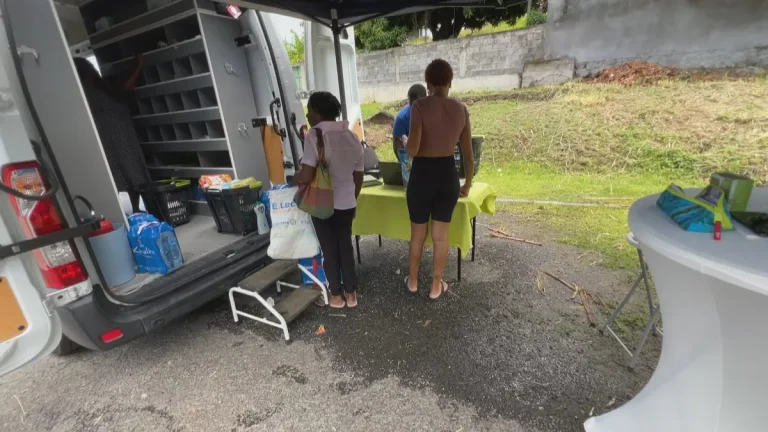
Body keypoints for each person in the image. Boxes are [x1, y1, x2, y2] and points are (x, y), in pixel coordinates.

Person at [404, 59, 473, 300]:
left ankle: (413, 281)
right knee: (441, 236)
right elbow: (467, 153)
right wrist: (468, 184)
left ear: (428, 82)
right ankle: (436, 286)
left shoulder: (419, 106)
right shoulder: (461, 110)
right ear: (450, 81)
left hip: (422, 174)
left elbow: (412, 149)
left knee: (418, 235)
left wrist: (405, 141)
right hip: (447, 173)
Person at [294, 91, 364, 309]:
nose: (307, 114)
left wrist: (293, 179)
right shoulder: (352, 137)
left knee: (329, 248)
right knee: (345, 245)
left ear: (319, 112)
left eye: (310, 110)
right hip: (347, 202)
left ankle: (335, 295)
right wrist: (352, 197)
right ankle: (351, 294)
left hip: (322, 203)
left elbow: (306, 175)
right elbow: (358, 175)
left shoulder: (314, 137)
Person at [74, 56, 150, 213]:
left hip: (104, 135)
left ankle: (126, 210)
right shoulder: (96, 84)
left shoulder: (80, 91)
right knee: (132, 168)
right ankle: (139, 208)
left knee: (119, 171)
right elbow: (126, 88)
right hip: (119, 130)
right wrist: (139, 66)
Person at [392, 84, 427, 158]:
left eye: (417, 104)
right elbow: (397, 143)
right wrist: (404, 161)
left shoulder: (433, 114)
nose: (414, 108)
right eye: (412, 104)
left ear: (425, 100)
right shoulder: (402, 118)